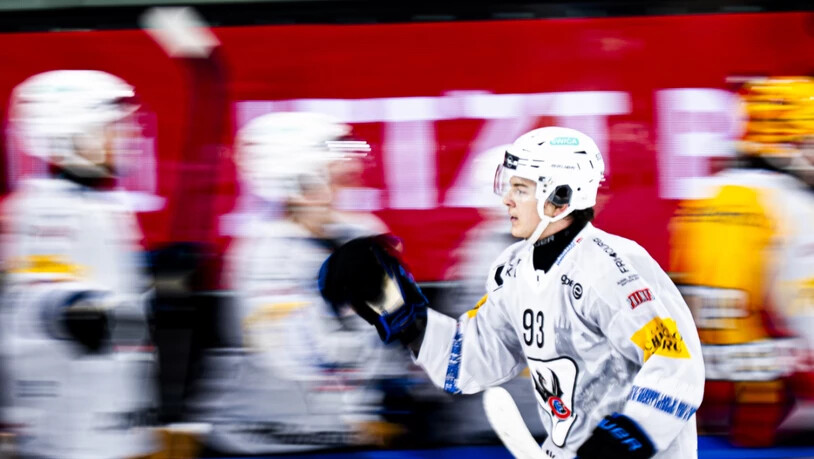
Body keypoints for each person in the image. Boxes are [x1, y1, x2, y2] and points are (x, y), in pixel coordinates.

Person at [319, 126, 706, 458]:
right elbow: (474, 361)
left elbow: (676, 365)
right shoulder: (513, 269)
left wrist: (617, 444)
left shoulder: (613, 267)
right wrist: (408, 319)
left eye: (520, 188)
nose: (505, 199)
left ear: (561, 197)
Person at [190, 112, 411, 454]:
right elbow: (294, 355)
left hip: (338, 437)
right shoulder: (265, 252)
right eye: (335, 169)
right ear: (300, 180)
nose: (350, 175)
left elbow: (398, 325)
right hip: (263, 441)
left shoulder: (362, 234)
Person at [0, 70, 158, 458]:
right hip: (68, 424)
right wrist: (87, 310)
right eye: (113, 127)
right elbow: (46, 298)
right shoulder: (45, 207)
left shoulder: (102, 204)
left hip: (112, 418)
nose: (129, 137)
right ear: (72, 135)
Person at [670, 76, 814, 446]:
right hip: (775, 404)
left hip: (698, 402)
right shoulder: (791, 203)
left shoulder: (709, 192)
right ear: (792, 140)